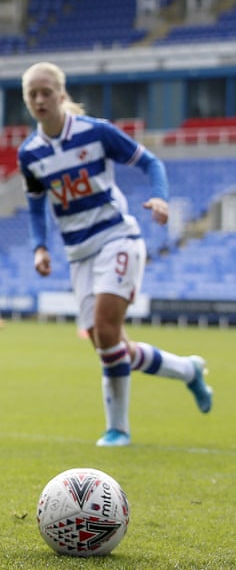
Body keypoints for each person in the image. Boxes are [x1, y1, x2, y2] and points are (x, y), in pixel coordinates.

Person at [19, 61, 213, 447]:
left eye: (46, 92)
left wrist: (160, 197)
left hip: (116, 237)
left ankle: (118, 430)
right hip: (78, 254)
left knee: (106, 332)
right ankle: (187, 370)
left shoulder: (96, 132)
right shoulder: (30, 153)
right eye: (32, 94)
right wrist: (40, 247)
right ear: (27, 101)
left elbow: (150, 162)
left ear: (61, 94)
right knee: (108, 344)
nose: (40, 100)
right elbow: (37, 205)